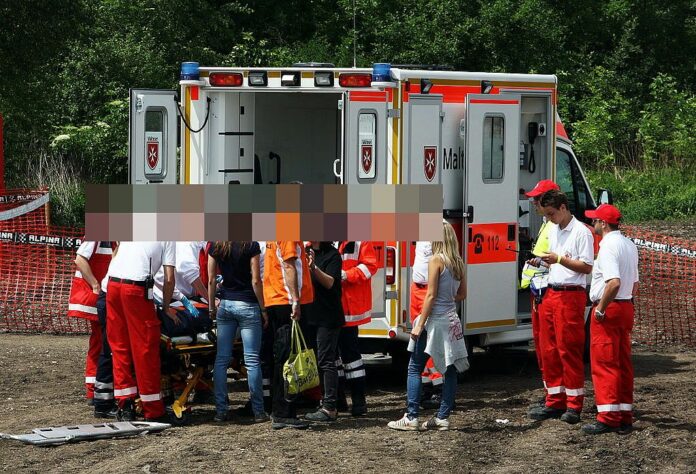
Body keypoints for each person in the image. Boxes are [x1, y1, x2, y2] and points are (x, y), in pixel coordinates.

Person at [388, 221, 468, 431]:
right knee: (449, 369)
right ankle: (442, 416)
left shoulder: (436, 261)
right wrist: (448, 296)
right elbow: (462, 294)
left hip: (434, 320)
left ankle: (411, 416)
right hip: (451, 318)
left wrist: (419, 324)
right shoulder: (458, 262)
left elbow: (430, 295)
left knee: (415, 366)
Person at [528, 190, 594, 425]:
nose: (549, 219)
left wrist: (558, 260)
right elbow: (559, 262)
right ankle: (555, 399)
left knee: (568, 349)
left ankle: (574, 404)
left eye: (551, 214)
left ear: (564, 208)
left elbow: (586, 267)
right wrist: (544, 261)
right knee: (549, 349)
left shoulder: (581, 232)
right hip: (552, 291)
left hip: (570, 295)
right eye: (546, 215)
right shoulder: (556, 229)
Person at [582, 204, 639, 435]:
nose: (593, 224)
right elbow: (633, 283)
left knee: (605, 363)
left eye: (595, 220)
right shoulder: (629, 244)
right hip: (626, 306)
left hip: (610, 307)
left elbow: (613, 282)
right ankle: (624, 414)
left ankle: (608, 416)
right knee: (623, 362)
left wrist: (601, 309)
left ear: (604, 223)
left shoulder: (607, 247)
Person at [106, 241, 177, 422]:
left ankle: (125, 404)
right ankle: (153, 409)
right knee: (145, 349)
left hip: (113, 284)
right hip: (137, 288)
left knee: (120, 346)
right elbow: (169, 278)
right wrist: (167, 307)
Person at [207, 241, 268, 423]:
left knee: (221, 360)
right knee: (252, 360)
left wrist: (211, 307)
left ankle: (221, 410)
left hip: (226, 304)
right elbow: (256, 280)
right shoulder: (251, 246)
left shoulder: (217, 245)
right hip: (248, 303)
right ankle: (259, 411)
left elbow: (211, 280)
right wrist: (263, 309)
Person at [263, 241, 314, 429]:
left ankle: (281, 410)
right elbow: (288, 265)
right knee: (289, 359)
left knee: (283, 357)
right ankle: (284, 412)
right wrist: (295, 300)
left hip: (276, 299)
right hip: (286, 300)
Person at [520, 179, 560, 407]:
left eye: (538, 199)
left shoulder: (554, 225)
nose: (534, 203)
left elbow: (561, 260)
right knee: (543, 347)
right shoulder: (547, 223)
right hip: (539, 291)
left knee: (550, 347)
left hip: (548, 290)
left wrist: (544, 263)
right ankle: (550, 393)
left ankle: (554, 396)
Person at [68, 240, 116, 404]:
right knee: (100, 341)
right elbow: (79, 259)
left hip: (103, 294)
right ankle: (94, 389)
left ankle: (97, 387)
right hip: (95, 295)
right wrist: (95, 285)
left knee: (102, 341)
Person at [304, 242, 345, 422]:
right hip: (312, 315)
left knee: (326, 361)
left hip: (328, 316)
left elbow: (330, 283)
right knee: (319, 360)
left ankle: (330, 407)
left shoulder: (333, 255)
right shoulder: (306, 251)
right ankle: (328, 401)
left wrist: (313, 268)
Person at [336, 241, 378, 416]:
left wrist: (346, 275)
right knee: (332, 357)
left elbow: (371, 266)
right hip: (331, 305)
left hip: (349, 305)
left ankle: (358, 401)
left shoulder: (361, 238)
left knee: (350, 355)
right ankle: (338, 401)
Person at [410, 241, 444, 407]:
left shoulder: (440, 226)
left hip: (429, 290)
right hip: (417, 289)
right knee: (420, 343)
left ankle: (440, 389)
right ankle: (426, 388)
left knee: (432, 342)